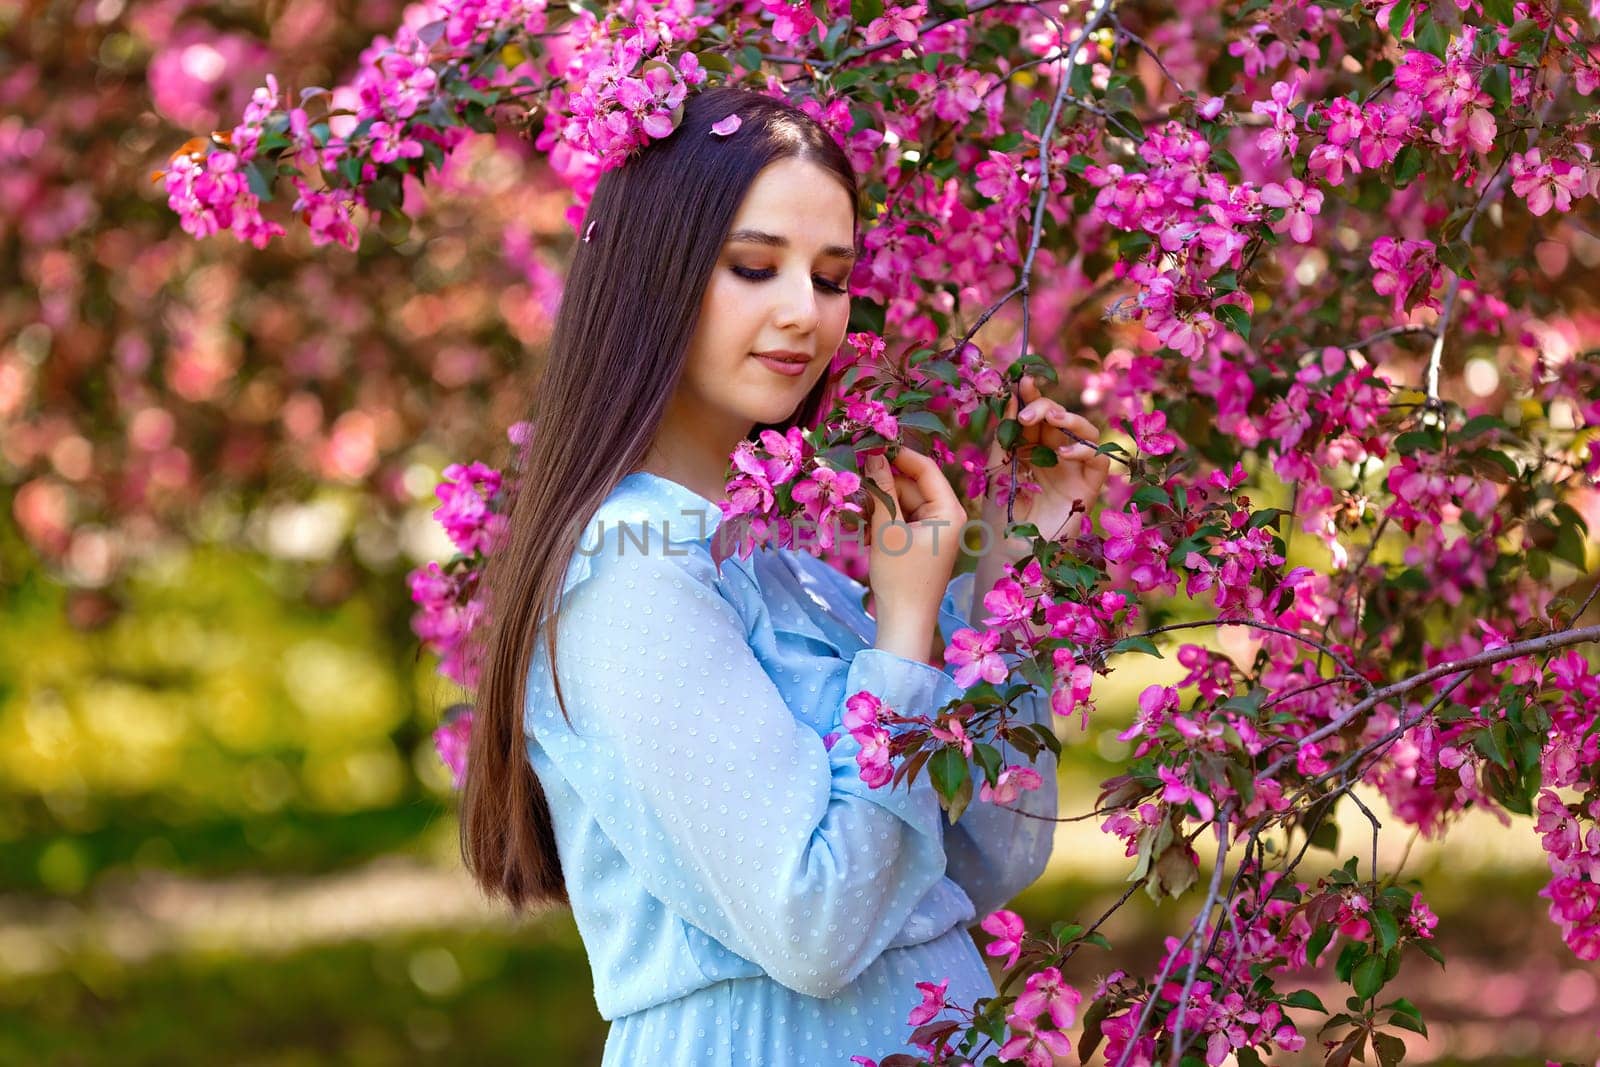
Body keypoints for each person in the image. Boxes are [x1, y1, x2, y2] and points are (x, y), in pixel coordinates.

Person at [460, 84, 1109, 1065]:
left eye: (832, 275)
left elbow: (985, 854)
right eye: (755, 267)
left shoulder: (779, 568)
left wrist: (1020, 551)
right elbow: (814, 926)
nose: (804, 313)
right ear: (654, 275)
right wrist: (898, 637)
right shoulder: (626, 572)